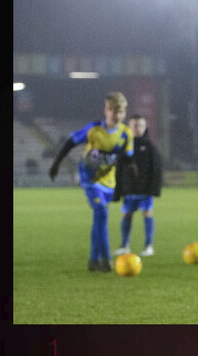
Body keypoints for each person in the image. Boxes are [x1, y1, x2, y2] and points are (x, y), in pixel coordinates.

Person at [48, 91, 136, 272]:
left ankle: (93, 260)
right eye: (112, 110)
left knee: (99, 218)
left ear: (124, 113)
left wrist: (132, 166)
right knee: (101, 213)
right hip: (89, 177)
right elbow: (70, 142)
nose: (115, 114)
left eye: (119, 111)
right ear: (105, 110)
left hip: (108, 181)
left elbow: (126, 156)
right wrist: (56, 163)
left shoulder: (126, 133)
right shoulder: (93, 129)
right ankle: (106, 260)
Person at [112, 114, 163, 257]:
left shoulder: (150, 147)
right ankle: (124, 245)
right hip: (129, 190)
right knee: (126, 215)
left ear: (145, 127)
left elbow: (157, 169)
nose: (137, 128)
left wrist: (154, 189)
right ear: (129, 127)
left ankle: (148, 246)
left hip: (145, 190)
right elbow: (119, 170)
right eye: (134, 125)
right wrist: (118, 191)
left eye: (140, 125)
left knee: (147, 214)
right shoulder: (124, 147)